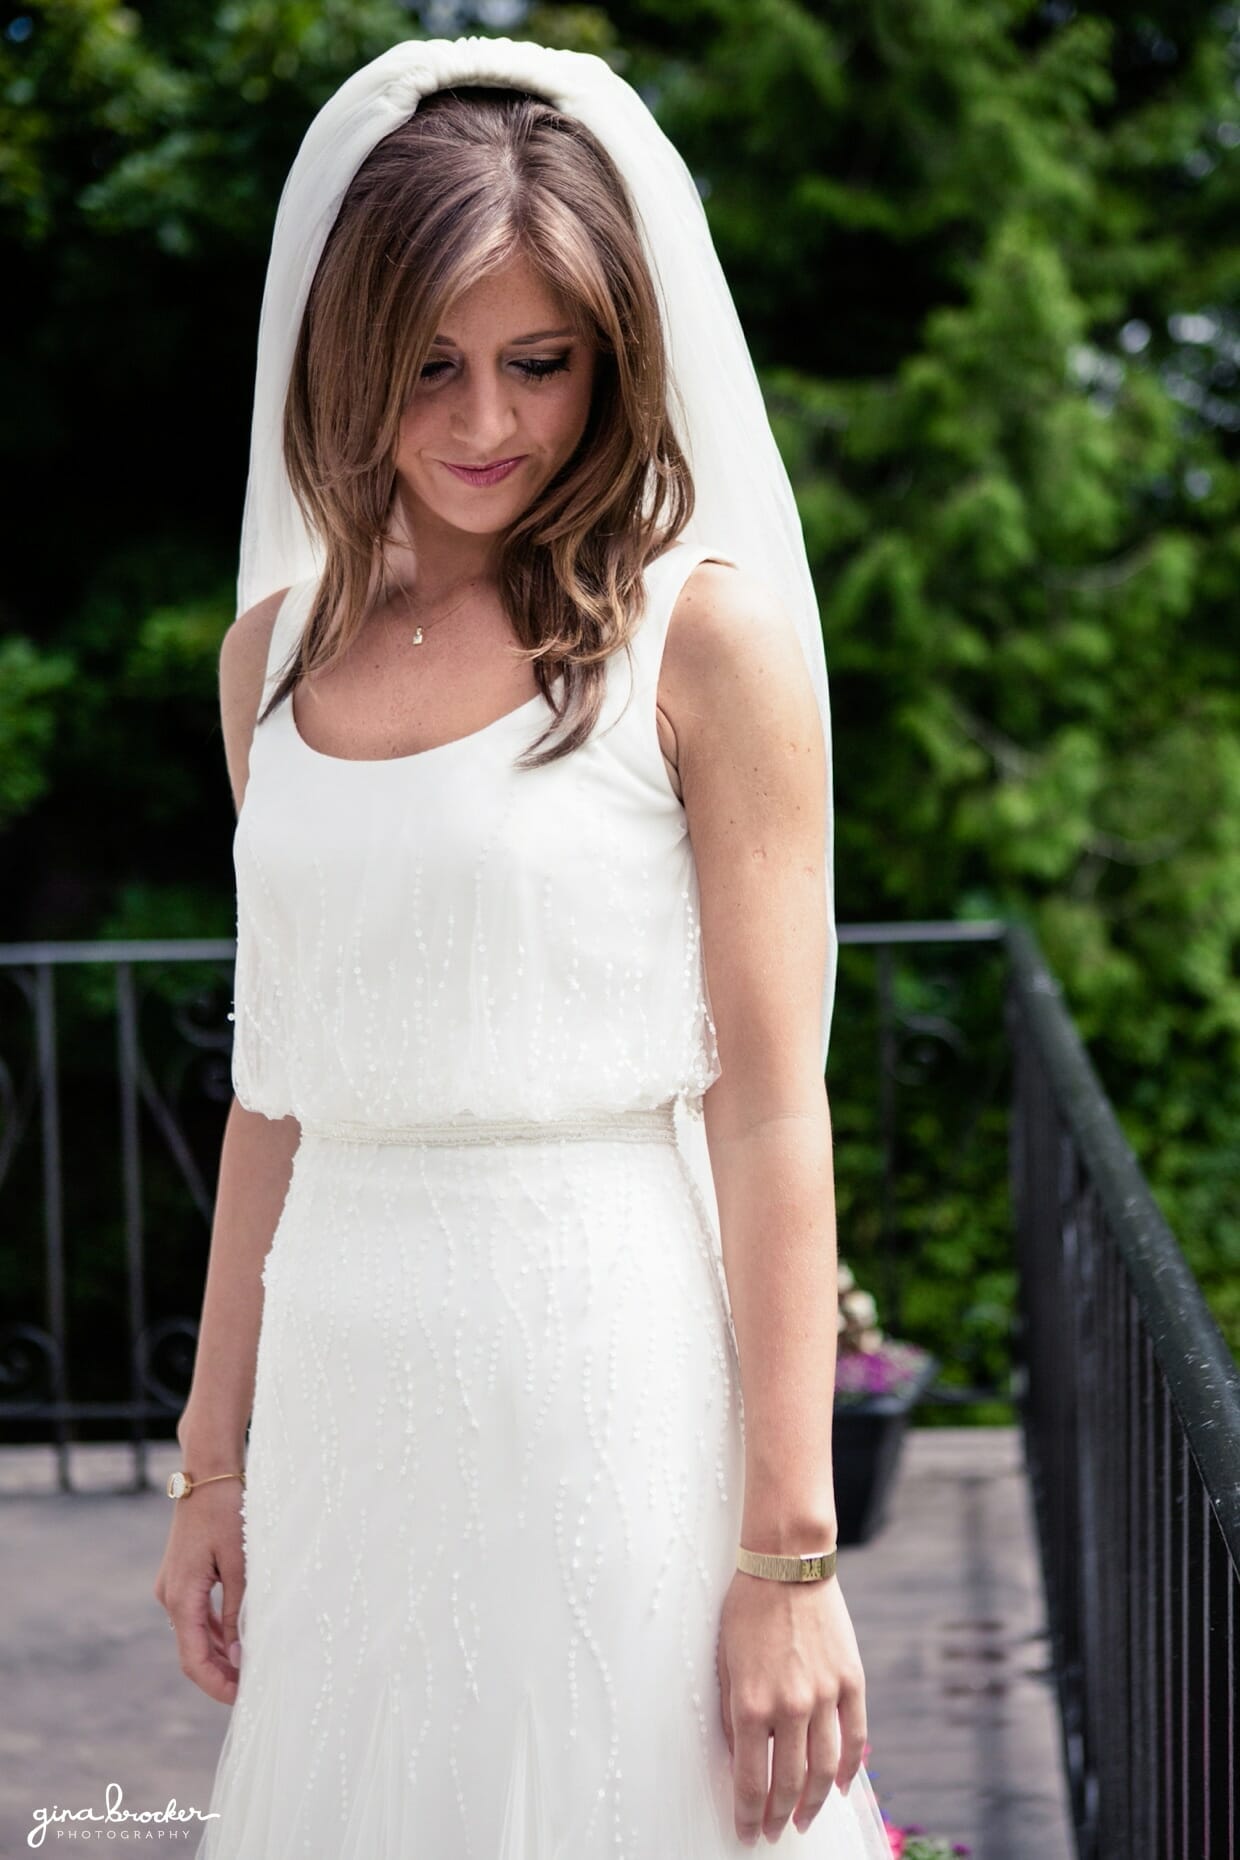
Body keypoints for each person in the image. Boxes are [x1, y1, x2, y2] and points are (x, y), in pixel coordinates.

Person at [154, 35, 894, 1858]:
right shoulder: (271, 662)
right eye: (428, 366)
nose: (489, 422)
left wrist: (790, 1552)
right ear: (344, 360)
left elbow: (773, 1106)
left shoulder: (701, 646)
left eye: (540, 364)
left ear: (612, 356)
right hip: (344, 1391)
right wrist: (211, 1463)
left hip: (606, 1379)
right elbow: (275, 1096)